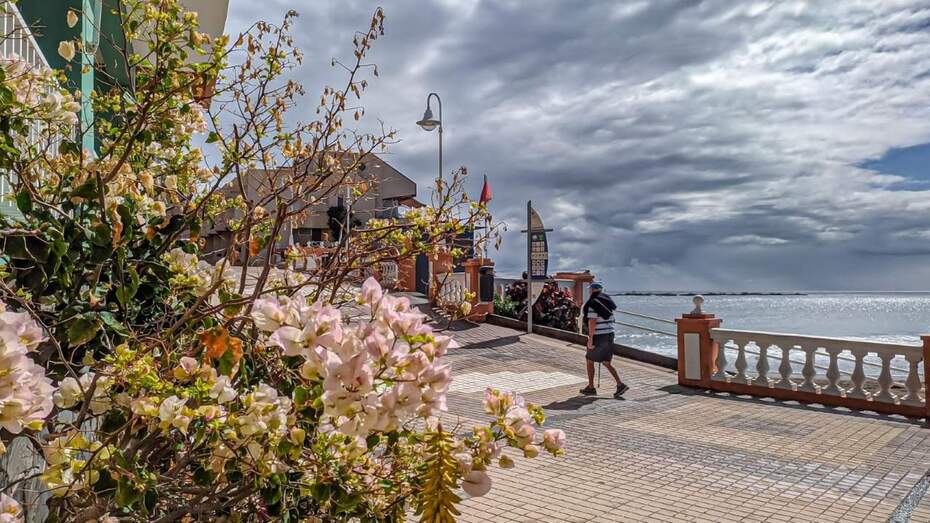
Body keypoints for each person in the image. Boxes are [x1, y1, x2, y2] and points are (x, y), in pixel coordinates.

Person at [579, 282, 628, 398]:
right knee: (606, 362)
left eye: (589, 290)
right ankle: (620, 384)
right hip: (609, 334)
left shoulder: (592, 304)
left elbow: (592, 322)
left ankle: (591, 387)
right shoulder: (607, 303)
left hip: (599, 336)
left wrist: (590, 338)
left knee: (589, 359)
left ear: (591, 291)